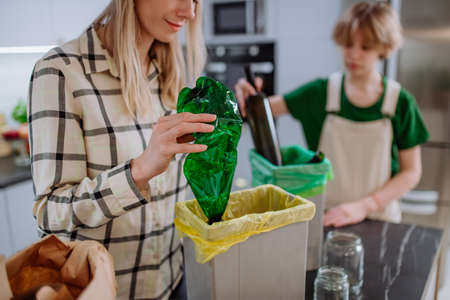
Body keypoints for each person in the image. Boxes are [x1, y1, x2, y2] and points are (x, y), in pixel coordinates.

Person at [28, 0, 213, 298]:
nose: (189, 12)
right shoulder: (61, 72)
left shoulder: (172, 73)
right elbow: (49, 212)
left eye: (195, 0)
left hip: (174, 280)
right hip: (107, 291)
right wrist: (138, 171)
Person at [234, 2, 429, 227]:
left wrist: (364, 206)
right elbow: (256, 110)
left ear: (383, 49)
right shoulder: (320, 93)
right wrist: (246, 93)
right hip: (326, 215)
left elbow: (412, 172)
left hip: (379, 217)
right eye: (348, 44)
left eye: (365, 47)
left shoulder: (400, 103)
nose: (353, 54)